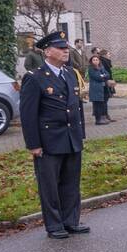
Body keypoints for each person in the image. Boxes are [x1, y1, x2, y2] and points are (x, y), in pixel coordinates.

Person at [19, 31, 89, 239]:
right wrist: (33, 144)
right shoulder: (35, 78)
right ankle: (54, 224)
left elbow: (76, 106)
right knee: (50, 186)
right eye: (61, 48)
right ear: (47, 52)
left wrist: (80, 134)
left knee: (71, 183)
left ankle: (71, 221)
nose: (66, 51)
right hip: (49, 141)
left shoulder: (70, 73)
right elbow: (28, 114)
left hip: (71, 138)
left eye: (66, 48)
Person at [87, 54, 111, 125]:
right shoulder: (91, 68)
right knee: (97, 105)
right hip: (95, 89)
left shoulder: (101, 67)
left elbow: (108, 75)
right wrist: (103, 76)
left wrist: (103, 75)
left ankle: (102, 118)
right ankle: (98, 120)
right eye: (94, 60)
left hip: (103, 89)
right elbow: (97, 77)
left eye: (96, 60)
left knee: (102, 104)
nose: (95, 61)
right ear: (91, 61)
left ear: (99, 61)